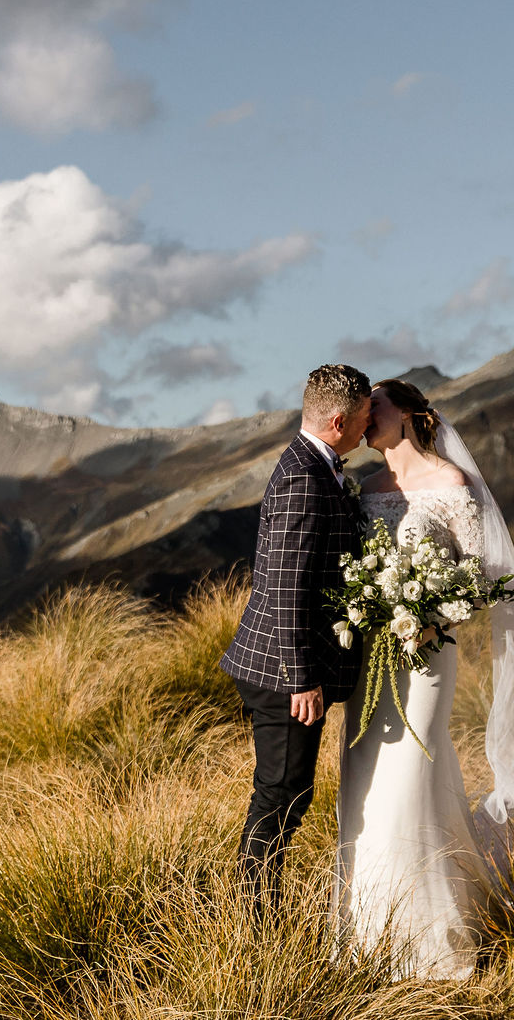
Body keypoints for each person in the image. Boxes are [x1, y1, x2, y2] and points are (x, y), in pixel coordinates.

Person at [336, 377, 514, 979]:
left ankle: (431, 945)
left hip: (426, 657)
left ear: (406, 414)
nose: (363, 415)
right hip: (369, 662)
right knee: (366, 783)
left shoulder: (451, 484)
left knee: (411, 774)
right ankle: (369, 938)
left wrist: (425, 620)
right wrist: (366, 608)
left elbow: (481, 581)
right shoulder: (363, 490)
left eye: (373, 406)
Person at [220, 363, 372, 910]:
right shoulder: (305, 478)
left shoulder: (315, 463)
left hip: (280, 667)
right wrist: (302, 680)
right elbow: (285, 586)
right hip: (283, 674)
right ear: (336, 420)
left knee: (285, 792)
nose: (368, 428)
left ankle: (256, 910)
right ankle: (254, 921)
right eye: (362, 419)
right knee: (282, 795)